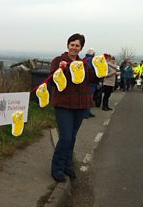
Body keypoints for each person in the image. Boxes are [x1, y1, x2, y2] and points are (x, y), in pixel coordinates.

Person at [49, 33, 98, 182]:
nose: (74, 48)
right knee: (65, 137)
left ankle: (67, 165)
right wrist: (61, 70)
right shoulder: (58, 61)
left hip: (80, 105)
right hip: (63, 104)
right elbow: (52, 80)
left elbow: (93, 79)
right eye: (72, 44)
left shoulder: (83, 64)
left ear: (81, 48)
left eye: (77, 45)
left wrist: (98, 67)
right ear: (68, 45)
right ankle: (56, 168)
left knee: (72, 137)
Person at [83, 48, 97, 118]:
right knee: (89, 98)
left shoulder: (83, 60)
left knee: (85, 97)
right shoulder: (93, 61)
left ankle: (87, 112)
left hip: (83, 82)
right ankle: (86, 112)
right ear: (93, 54)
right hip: (91, 82)